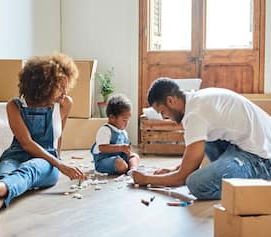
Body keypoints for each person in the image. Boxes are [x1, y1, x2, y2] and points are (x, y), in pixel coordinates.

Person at [0, 53, 85, 223]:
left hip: (46, 161)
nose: (65, 92)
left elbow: (58, 136)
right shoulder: (14, 106)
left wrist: (58, 162)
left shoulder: (64, 103)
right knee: (5, 171)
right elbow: (26, 143)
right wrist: (61, 165)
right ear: (44, 86)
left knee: (30, 168)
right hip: (16, 154)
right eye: (60, 87)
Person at [132, 77, 271, 200]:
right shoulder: (197, 100)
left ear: (170, 100)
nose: (164, 117)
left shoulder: (195, 115)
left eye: (162, 111)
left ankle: (255, 185)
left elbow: (181, 178)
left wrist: (146, 179)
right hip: (247, 144)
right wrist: (172, 170)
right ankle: (227, 172)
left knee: (196, 183)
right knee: (203, 140)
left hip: (261, 159)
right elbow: (192, 156)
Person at [91, 94, 139, 175]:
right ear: (112, 117)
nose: (127, 123)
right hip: (104, 160)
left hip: (119, 158)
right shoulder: (105, 130)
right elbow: (102, 148)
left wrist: (128, 152)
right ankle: (125, 167)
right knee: (120, 164)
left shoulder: (123, 132)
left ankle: (133, 170)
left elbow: (125, 150)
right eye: (124, 120)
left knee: (135, 156)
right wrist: (121, 148)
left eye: (128, 120)